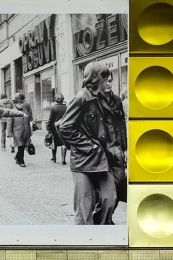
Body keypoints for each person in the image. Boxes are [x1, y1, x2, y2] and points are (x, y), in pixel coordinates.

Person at [56, 62, 117, 225]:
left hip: (102, 159)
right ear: (97, 79)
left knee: (109, 200)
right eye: (106, 78)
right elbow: (65, 127)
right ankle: (86, 241)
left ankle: (98, 230)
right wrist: (90, 147)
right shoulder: (82, 97)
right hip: (83, 161)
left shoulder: (103, 99)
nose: (108, 82)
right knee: (84, 207)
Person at [93, 73, 127, 225]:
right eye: (105, 81)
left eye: (111, 81)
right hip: (101, 152)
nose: (109, 84)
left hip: (117, 151)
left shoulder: (117, 101)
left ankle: (105, 217)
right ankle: (103, 219)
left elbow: (122, 127)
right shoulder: (93, 101)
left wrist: (125, 149)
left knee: (119, 185)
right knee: (107, 192)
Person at [8, 93, 33, 168]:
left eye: (22, 103)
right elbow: (10, 122)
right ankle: (21, 161)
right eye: (20, 103)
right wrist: (9, 132)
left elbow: (29, 120)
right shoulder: (13, 111)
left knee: (22, 146)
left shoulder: (25, 111)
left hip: (25, 131)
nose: (21, 104)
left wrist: (29, 132)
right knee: (20, 146)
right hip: (17, 131)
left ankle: (18, 158)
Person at [47, 93, 68, 165]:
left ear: (56, 99)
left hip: (55, 128)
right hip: (64, 127)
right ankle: (63, 160)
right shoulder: (66, 107)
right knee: (63, 143)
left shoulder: (53, 108)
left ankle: (54, 157)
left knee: (54, 143)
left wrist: (48, 127)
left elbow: (51, 119)